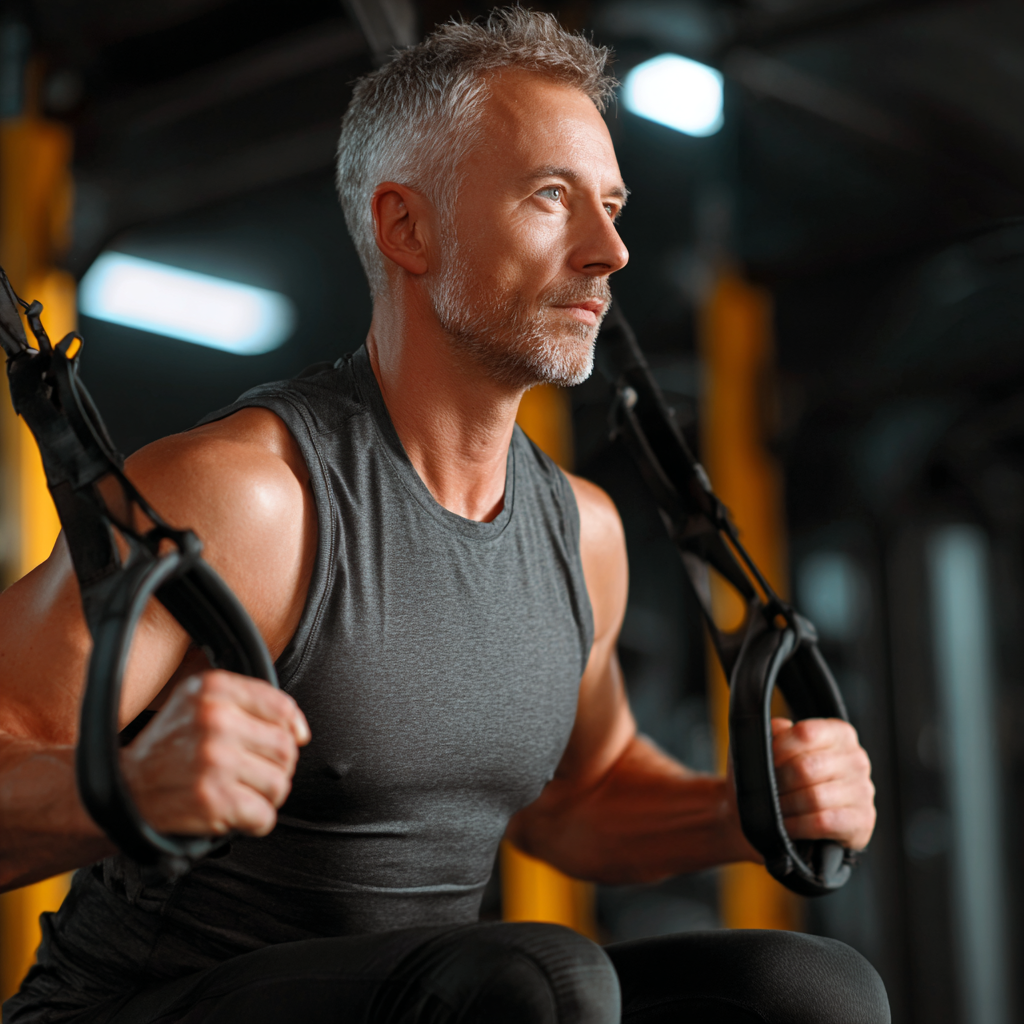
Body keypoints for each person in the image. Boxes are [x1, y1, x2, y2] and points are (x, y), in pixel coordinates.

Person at [0, 9, 885, 1024]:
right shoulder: (250, 495)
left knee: (812, 991)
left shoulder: (578, 530)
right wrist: (116, 786)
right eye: (552, 198)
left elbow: (580, 801)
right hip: (135, 1006)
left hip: (429, 999)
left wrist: (746, 806)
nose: (611, 252)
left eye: (612, 204)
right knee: (534, 982)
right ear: (405, 228)